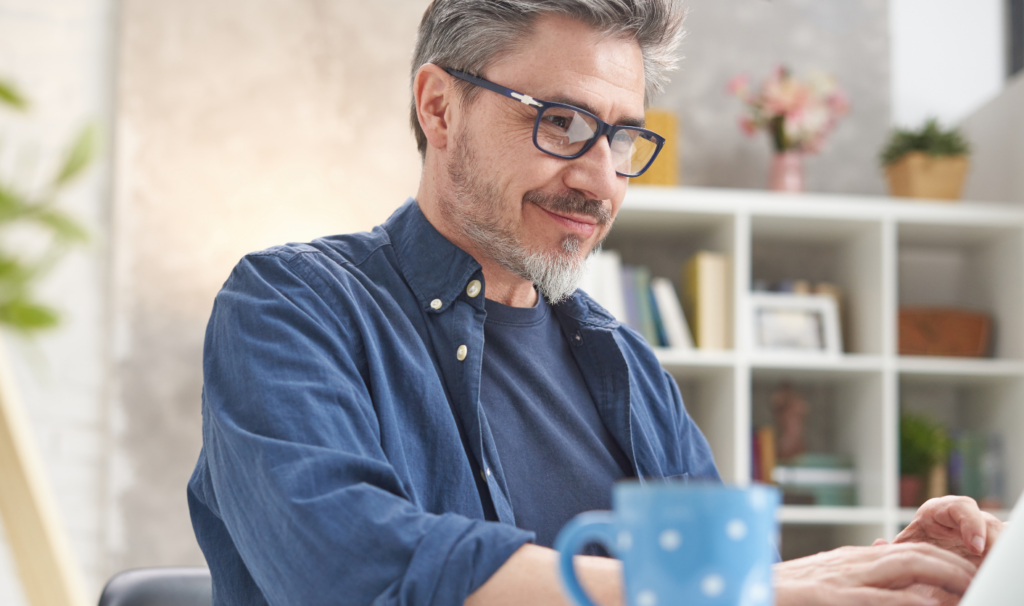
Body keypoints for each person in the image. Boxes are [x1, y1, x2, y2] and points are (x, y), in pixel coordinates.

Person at [187, 1, 1004, 605]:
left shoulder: (627, 365)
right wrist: (764, 589)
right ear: (439, 106)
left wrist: (882, 575)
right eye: (562, 121)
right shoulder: (292, 307)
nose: (601, 178)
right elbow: (354, 569)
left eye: (621, 138)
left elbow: (720, 589)